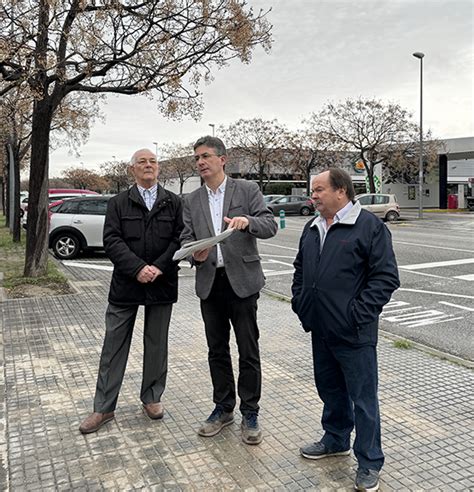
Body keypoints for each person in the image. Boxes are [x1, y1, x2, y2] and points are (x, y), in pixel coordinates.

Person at [291, 168, 400, 491]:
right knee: (330, 390)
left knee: (363, 400)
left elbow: (386, 278)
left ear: (342, 192)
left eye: (320, 189)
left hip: (354, 333)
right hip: (321, 328)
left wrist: (357, 315)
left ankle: (369, 461)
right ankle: (336, 439)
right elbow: (300, 269)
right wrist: (301, 304)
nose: (314, 195)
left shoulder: (368, 226)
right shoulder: (312, 227)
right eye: (314, 190)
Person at [180, 136, 277, 445]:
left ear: (223, 159)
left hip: (243, 282)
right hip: (210, 283)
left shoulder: (247, 190)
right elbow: (185, 237)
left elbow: (269, 225)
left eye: (205, 156)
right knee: (216, 349)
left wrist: (247, 221)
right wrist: (193, 252)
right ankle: (223, 409)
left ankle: (251, 412)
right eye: (197, 158)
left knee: (248, 349)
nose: (200, 162)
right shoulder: (191, 200)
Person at [79, 148, 183, 434]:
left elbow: (179, 238)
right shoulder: (118, 203)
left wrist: (159, 267)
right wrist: (138, 268)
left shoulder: (173, 202)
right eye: (142, 162)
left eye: (153, 162)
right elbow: (111, 240)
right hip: (126, 284)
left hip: (162, 283)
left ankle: (152, 398)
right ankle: (104, 407)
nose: (148, 166)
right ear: (132, 169)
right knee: (113, 346)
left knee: (157, 344)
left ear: (158, 168)